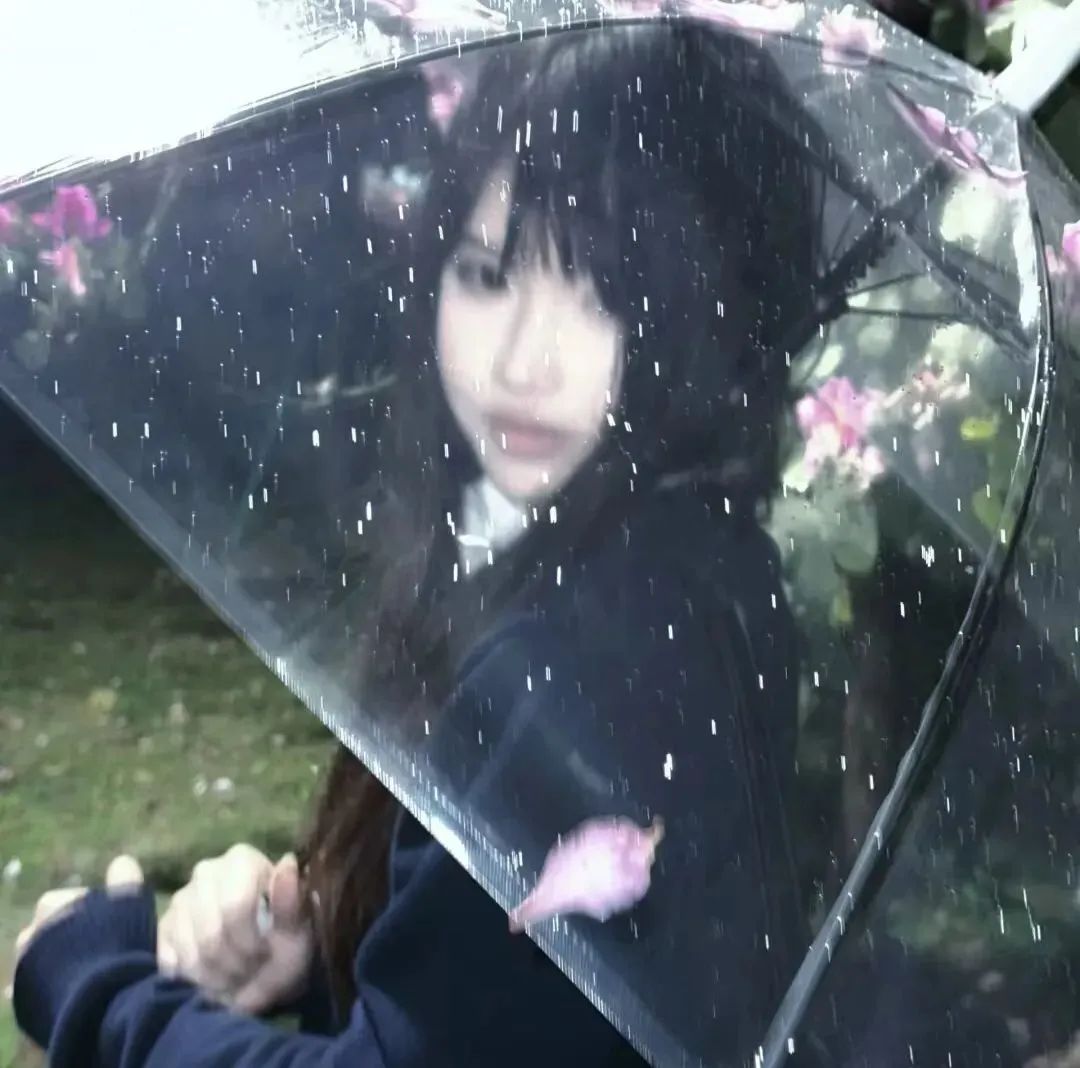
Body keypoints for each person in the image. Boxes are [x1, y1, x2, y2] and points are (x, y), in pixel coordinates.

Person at [11, 21, 830, 1067]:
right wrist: (342, 936)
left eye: (603, 298)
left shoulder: (588, 663)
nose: (522, 362)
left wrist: (98, 987)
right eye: (486, 274)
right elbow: (517, 1014)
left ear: (695, 317)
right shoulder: (692, 571)